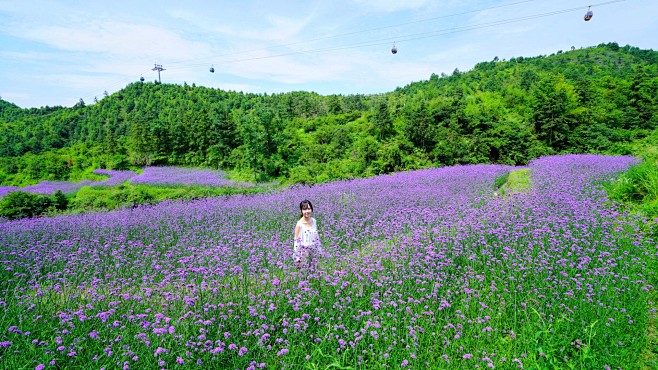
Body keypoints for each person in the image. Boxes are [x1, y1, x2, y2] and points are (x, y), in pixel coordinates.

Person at [293, 200, 322, 269]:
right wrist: (297, 258)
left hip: (314, 251)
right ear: (301, 211)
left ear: (311, 209)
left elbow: (316, 237)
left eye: (309, 209)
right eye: (304, 209)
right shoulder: (299, 224)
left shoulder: (314, 221)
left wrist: (319, 251)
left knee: (315, 271)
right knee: (305, 274)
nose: (307, 211)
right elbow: (296, 242)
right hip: (304, 253)